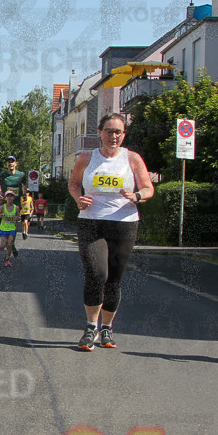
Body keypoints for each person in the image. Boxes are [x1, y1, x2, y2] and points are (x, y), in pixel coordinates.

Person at [68, 112, 154, 351]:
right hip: (91, 221)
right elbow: (74, 183)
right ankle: (90, 327)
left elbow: (148, 188)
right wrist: (78, 199)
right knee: (96, 274)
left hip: (124, 222)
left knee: (114, 280)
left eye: (118, 132)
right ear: (100, 133)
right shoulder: (87, 158)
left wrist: (136, 196)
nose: (113, 136)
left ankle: (107, 328)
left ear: (123, 134)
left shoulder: (132, 159)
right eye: (109, 131)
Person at [0, 190, 20, 266]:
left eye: (11, 196)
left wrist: (16, 218)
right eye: (8, 196)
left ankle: (7, 259)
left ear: (13, 198)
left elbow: (19, 217)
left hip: (12, 228)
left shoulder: (16, 208)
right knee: (2, 246)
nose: (9, 198)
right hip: (3, 228)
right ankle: (2, 248)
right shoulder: (2, 207)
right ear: (5, 198)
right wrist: (1, 215)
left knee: (10, 244)